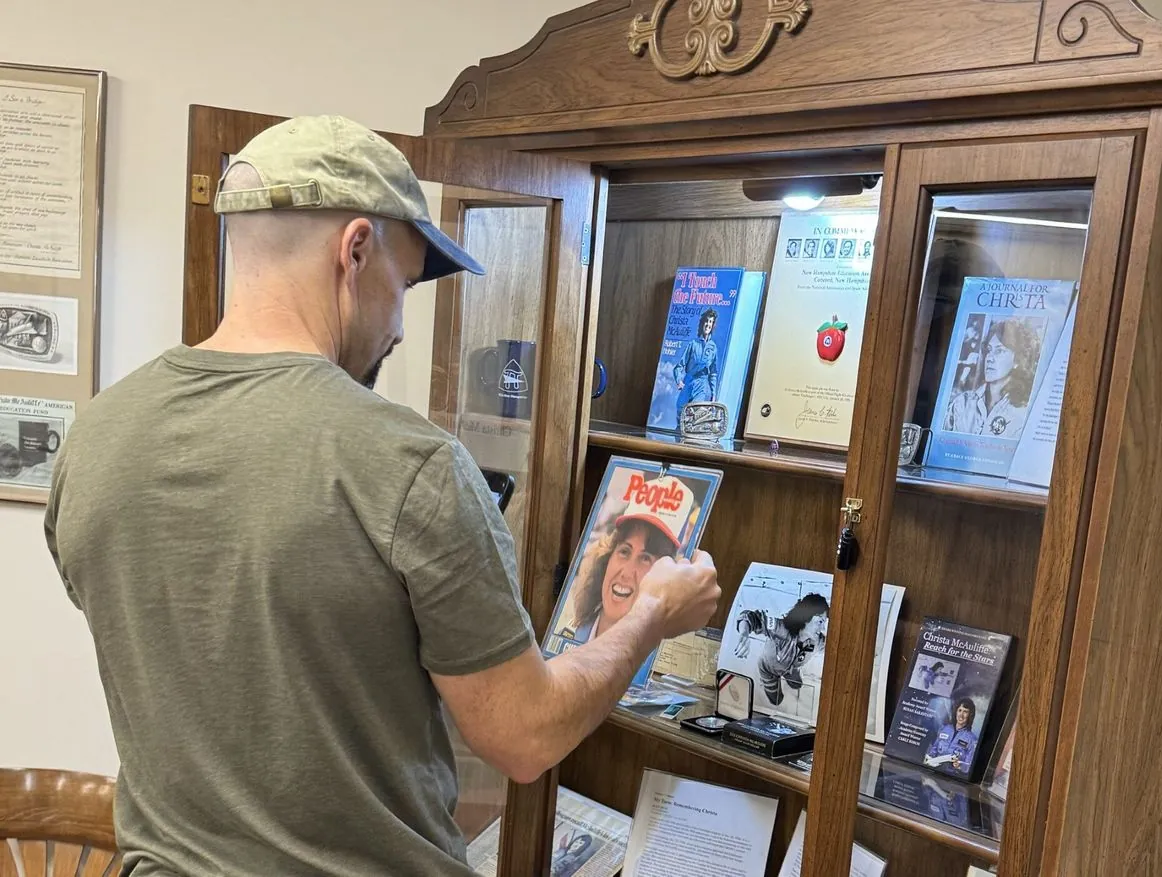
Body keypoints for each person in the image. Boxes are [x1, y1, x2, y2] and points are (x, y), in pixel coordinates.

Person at [43, 115, 721, 877]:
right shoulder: (412, 463)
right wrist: (654, 613)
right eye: (402, 282)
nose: (399, 322)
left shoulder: (95, 439)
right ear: (355, 249)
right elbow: (524, 737)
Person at [566, 473, 694, 642]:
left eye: (645, 558)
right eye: (625, 551)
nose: (626, 573)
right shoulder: (568, 634)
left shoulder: (654, 659)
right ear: (608, 557)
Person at [944, 318, 1041, 437]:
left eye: (999, 351)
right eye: (989, 350)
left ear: (1017, 360)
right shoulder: (962, 403)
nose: (989, 357)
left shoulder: (1024, 412)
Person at [733, 593, 830, 706]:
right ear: (806, 618)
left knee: (797, 685)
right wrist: (744, 633)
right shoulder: (781, 629)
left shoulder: (817, 640)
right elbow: (750, 617)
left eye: (824, 622)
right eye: (820, 621)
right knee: (776, 700)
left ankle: (790, 671)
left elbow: (833, 647)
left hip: (792, 668)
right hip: (769, 670)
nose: (823, 628)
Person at [673, 308, 719, 421]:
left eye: (711, 322)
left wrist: (713, 393)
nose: (708, 324)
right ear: (702, 323)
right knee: (680, 412)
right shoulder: (692, 344)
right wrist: (679, 380)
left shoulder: (713, 348)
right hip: (688, 381)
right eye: (706, 321)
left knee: (694, 415)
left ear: (713, 325)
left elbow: (713, 373)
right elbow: (679, 366)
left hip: (701, 385)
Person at [924, 697, 979, 776]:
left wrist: (959, 765)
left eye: (965, 712)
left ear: (970, 715)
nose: (961, 715)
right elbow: (934, 749)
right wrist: (929, 757)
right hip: (934, 771)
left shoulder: (972, 740)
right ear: (956, 712)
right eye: (960, 710)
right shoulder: (944, 729)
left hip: (953, 777)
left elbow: (969, 765)